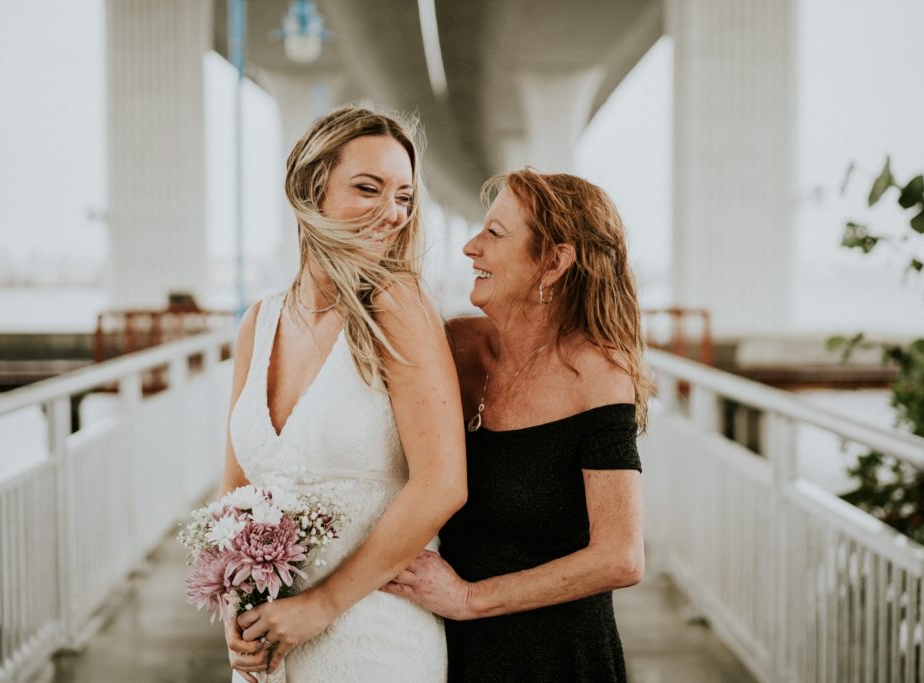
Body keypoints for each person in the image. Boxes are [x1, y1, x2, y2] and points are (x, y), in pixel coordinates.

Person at [217, 105, 467, 682]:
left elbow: (442, 485)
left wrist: (320, 607)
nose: (394, 213)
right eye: (368, 189)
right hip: (268, 647)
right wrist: (235, 605)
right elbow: (235, 492)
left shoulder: (396, 305)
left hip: (372, 638)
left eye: (403, 196)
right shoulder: (260, 322)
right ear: (309, 189)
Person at [383, 169, 649, 682]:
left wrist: (468, 598)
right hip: (442, 648)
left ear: (553, 262)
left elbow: (621, 557)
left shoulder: (597, 375)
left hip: (554, 656)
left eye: (494, 234)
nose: (469, 247)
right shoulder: (456, 347)